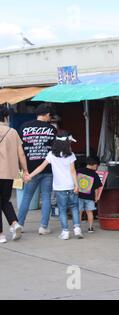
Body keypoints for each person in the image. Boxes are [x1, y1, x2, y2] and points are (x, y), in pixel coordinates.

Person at [29, 132, 83, 240]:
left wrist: (30, 175)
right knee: (74, 207)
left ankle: (65, 232)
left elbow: (41, 167)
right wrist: (77, 185)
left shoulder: (51, 155)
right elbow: (73, 171)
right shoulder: (70, 155)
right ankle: (77, 229)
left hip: (59, 188)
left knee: (62, 210)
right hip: (71, 186)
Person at [17, 104, 57, 234]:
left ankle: (20, 225)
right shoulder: (52, 129)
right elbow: (56, 150)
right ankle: (43, 227)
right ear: (46, 115)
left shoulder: (24, 127)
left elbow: (20, 150)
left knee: (27, 197)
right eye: (50, 116)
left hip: (30, 170)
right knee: (46, 197)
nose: (50, 118)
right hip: (47, 168)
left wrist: (23, 170)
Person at [0, 106, 29, 243]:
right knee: (5, 200)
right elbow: (21, 154)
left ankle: (1, 235)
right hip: (9, 173)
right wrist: (25, 171)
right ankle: (14, 223)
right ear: (6, 117)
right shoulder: (13, 132)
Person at [77, 156, 102, 233]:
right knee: (89, 212)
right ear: (93, 164)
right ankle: (90, 228)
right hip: (90, 197)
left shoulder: (78, 171)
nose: (97, 167)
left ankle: (78, 228)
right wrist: (97, 196)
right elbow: (97, 188)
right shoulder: (94, 174)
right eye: (97, 165)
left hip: (79, 195)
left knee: (79, 212)